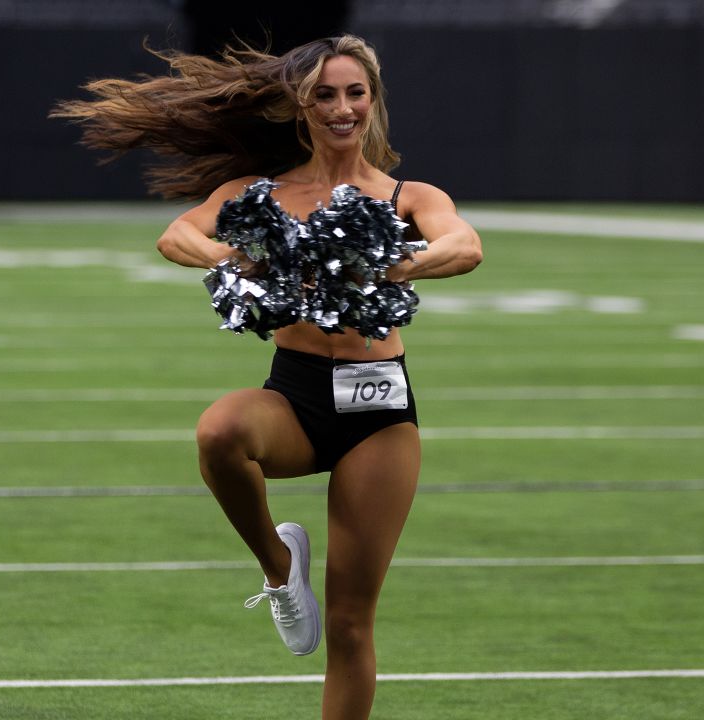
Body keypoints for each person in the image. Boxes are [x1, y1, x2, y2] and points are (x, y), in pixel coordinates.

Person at [52, 35, 482, 719]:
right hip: (297, 394)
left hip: (378, 412)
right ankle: (281, 571)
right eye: (324, 95)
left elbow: (464, 244)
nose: (342, 108)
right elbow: (175, 236)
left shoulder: (408, 197)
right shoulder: (263, 196)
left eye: (355, 93)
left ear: (373, 102)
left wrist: (401, 264)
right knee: (220, 432)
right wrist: (230, 256)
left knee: (348, 624)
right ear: (299, 106)